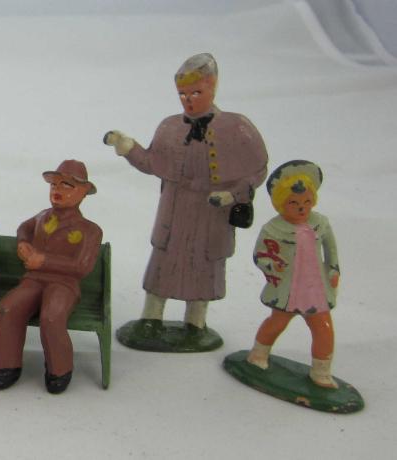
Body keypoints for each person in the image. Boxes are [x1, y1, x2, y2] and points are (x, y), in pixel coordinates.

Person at [103, 53, 268, 349]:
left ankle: (196, 322)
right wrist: (128, 147)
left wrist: (232, 194)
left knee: (205, 263)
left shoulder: (236, 127)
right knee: (164, 261)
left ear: (212, 88)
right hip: (175, 209)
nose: (188, 100)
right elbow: (152, 163)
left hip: (212, 213)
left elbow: (257, 170)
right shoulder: (169, 127)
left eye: (196, 92)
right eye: (182, 94)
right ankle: (151, 317)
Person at [0, 160, 101, 393]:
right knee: (7, 309)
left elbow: (82, 267)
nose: (57, 190)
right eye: (54, 185)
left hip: (64, 283)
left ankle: (60, 369)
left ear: (83, 192)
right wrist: (23, 243)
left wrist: (45, 261)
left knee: (51, 317)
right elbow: (24, 228)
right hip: (34, 279)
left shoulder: (90, 230)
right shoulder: (42, 217)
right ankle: (7, 366)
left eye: (67, 185)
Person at [247, 160, 339, 388]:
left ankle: (321, 371)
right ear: (281, 204)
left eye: (307, 202)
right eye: (294, 203)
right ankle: (258, 355)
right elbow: (260, 255)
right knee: (277, 322)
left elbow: (331, 250)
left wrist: (334, 269)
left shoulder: (321, 224)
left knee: (324, 328)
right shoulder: (273, 229)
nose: (301, 208)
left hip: (315, 289)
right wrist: (271, 266)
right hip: (289, 289)